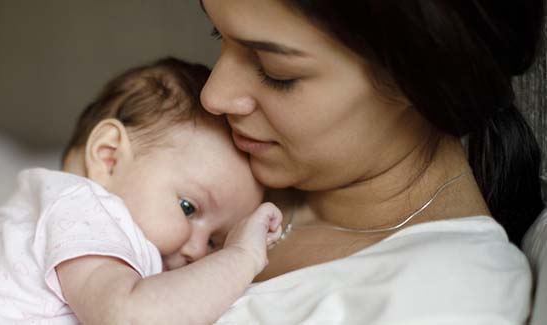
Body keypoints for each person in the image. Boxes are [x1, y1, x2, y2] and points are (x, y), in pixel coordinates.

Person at [197, 0, 544, 323]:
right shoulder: (201, 150)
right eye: (218, 35)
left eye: (276, 72)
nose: (213, 96)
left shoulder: (449, 298)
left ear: (416, 77)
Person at [0, 58, 283, 324]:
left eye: (214, 242)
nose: (197, 252)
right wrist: (240, 257)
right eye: (188, 207)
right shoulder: (84, 209)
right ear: (109, 157)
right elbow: (131, 317)